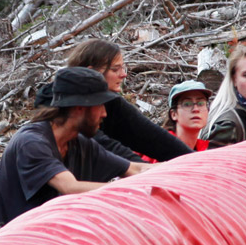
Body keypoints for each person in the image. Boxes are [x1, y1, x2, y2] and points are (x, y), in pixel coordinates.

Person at [0, 67, 148, 238]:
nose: (105, 114)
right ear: (80, 108)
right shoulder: (32, 142)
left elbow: (134, 169)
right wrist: (129, 193)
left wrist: (174, 171)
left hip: (14, 240)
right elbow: (70, 188)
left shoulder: (80, 144)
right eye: (100, 106)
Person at [62, 39, 193, 162]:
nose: (123, 74)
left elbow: (154, 138)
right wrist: (144, 169)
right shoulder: (59, 104)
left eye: (123, 67)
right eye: (115, 69)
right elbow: (103, 147)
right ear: (92, 72)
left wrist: (197, 162)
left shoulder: (112, 103)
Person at [165, 78, 213, 151]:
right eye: (187, 104)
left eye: (201, 103)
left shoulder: (208, 150)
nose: (196, 109)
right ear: (173, 114)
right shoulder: (161, 146)